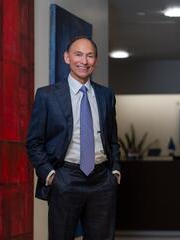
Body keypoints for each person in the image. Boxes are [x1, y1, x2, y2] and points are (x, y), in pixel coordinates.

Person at [26, 35, 121, 240]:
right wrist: (50, 175)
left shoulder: (106, 95)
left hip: (102, 180)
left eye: (90, 56)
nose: (84, 61)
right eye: (78, 54)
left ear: (95, 60)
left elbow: (112, 138)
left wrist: (115, 172)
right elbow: (34, 142)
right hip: (65, 177)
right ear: (66, 57)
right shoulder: (47, 95)